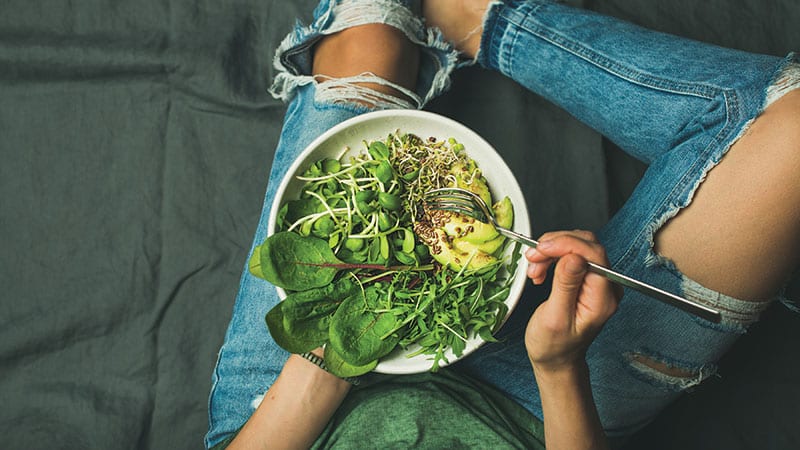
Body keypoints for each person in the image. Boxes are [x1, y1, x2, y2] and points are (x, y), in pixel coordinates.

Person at [205, 0, 800, 448]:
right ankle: (487, 21)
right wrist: (559, 366)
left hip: (294, 415)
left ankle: (452, 17)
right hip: (533, 411)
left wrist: (323, 360)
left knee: (371, 28)